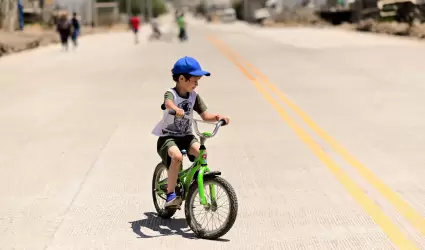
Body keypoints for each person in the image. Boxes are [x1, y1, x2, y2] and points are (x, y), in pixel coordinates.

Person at [152, 56, 230, 208]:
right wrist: (175, 109)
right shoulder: (171, 94)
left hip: (186, 137)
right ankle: (170, 195)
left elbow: (205, 115)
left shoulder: (194, 96)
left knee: (202, 153)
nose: (197, 84)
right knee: (177, 156)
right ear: (182, 78)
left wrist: (218, 117)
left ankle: (193, 185)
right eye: (195, 80)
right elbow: (168, 103)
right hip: (168, 137)